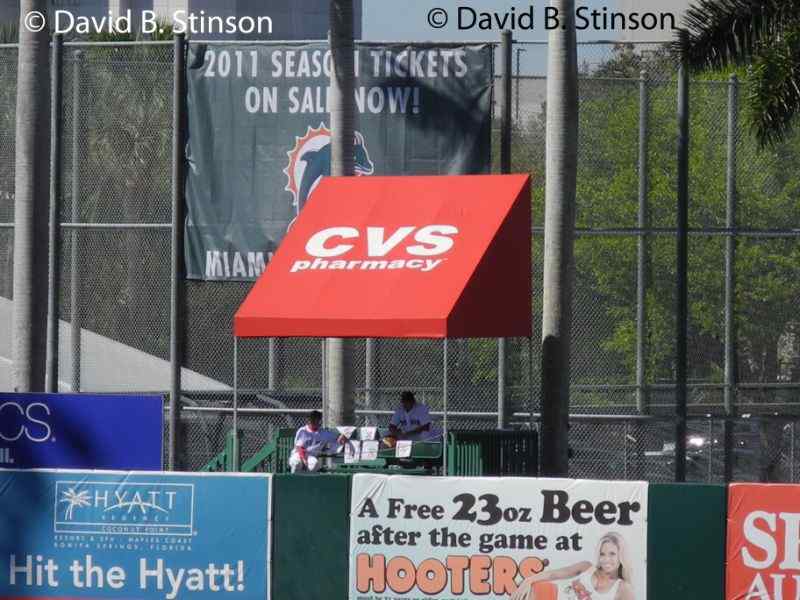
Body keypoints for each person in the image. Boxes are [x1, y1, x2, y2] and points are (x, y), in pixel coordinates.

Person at [510, 532, 634, 600]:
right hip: (549, 596)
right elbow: (554, 574)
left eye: (612, 554)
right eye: (602, 554)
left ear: (621, 556)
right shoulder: (587, 567)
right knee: (528, 588)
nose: (606, 559)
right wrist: (528, 580)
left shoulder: (623, 588)